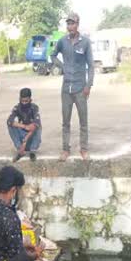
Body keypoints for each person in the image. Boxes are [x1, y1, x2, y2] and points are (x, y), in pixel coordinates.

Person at [53, 12, 94, 161]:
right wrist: (61, 66)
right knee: (65, 122)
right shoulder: (62, 41)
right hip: (66, 90)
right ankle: (65, 149)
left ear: (78, 24)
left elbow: (91, 66)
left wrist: (89, 85)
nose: (70, 26)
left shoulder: (85, 42)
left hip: (80, 89)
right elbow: (53, 55)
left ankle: (83, 149)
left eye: (73, 23)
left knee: (83, 121)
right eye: (68, 24)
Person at [7, 88, 42, 162]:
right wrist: (25, 126)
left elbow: (36, 124)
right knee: (10, 126)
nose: (24, 103)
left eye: (26, 101)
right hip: (22, 136)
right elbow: (9, 121)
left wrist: (25, 141)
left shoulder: (34, 108)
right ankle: (20, 150)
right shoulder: (17, 108)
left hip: (31, 138)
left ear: (30, 100)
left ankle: (32, 151)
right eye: (22, 101)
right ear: (19, 99)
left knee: (37, 126)